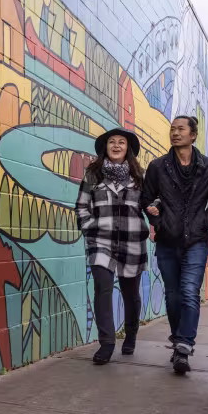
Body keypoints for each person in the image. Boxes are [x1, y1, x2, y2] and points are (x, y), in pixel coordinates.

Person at [140, 116, 208, 374]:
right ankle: (178, 342)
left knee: (188, 292)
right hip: (166, 241)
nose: (174, 133)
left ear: (193, 135)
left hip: (195, 241)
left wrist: (201, 224)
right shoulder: (158, 166)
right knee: (172, 296)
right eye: (172, 129)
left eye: (180, 129)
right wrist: (158, 220)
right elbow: (146, 198)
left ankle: (184, 344)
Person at [75, 128, 149, 365]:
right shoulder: (93, 175)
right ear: (105, 148)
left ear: (128, 149)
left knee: (131, 294)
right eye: (112, 142)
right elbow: (81, 206)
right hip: (101, 241)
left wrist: (156, 213)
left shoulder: (139, 177)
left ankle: (131, 334)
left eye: (121, 142)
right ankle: (106, 343)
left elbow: (152, 202)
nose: (116, 146)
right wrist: (89, 227)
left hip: (132, 241)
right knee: (102, 288)